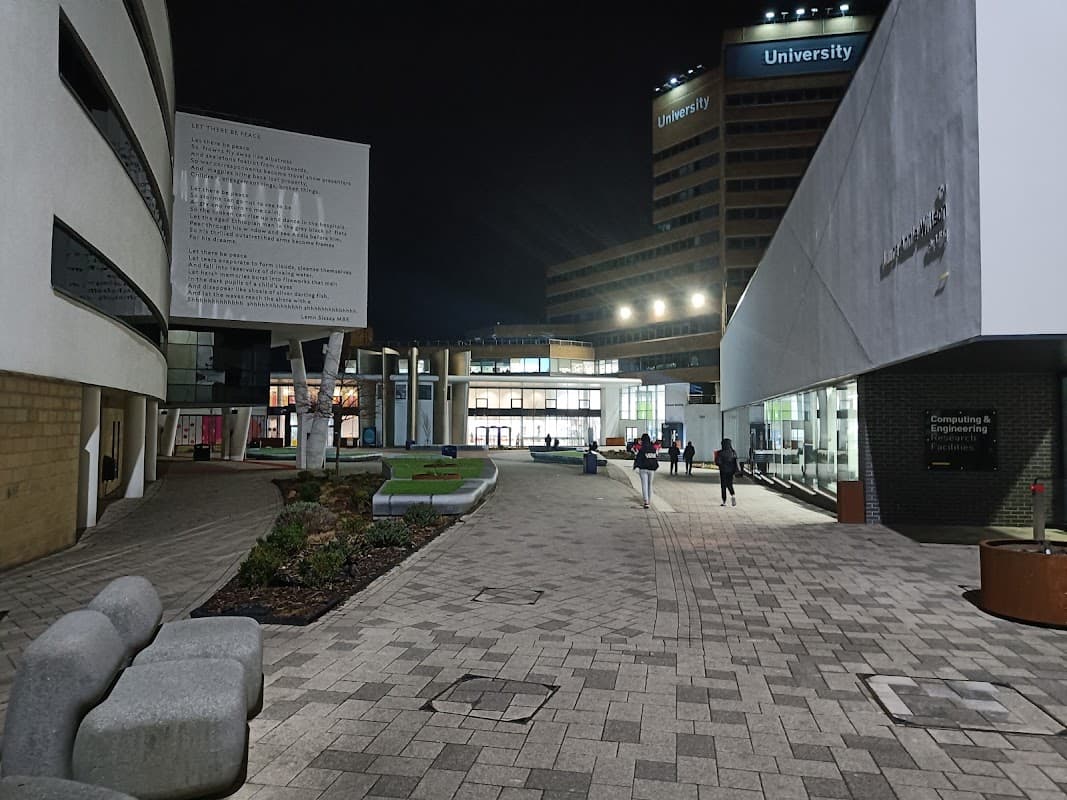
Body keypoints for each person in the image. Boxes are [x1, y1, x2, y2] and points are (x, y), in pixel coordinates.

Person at [635, 432, 659, 508]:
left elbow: (638, 459)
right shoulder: (653, 449)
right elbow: (655, 458)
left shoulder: (642, 449)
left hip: (643, 469)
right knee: (650, 485)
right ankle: (649, 500)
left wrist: (636, 466)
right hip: (651, 469)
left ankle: (646, 502)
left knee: (644, 485)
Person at [715, 438, 739, 507]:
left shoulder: (720, 453)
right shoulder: (733, 452)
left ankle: (724, 501)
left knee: (723, 486)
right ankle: (733, 495)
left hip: (723, 471)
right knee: (730, 484)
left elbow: (718, 462)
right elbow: (736, 462)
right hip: (731, 471)